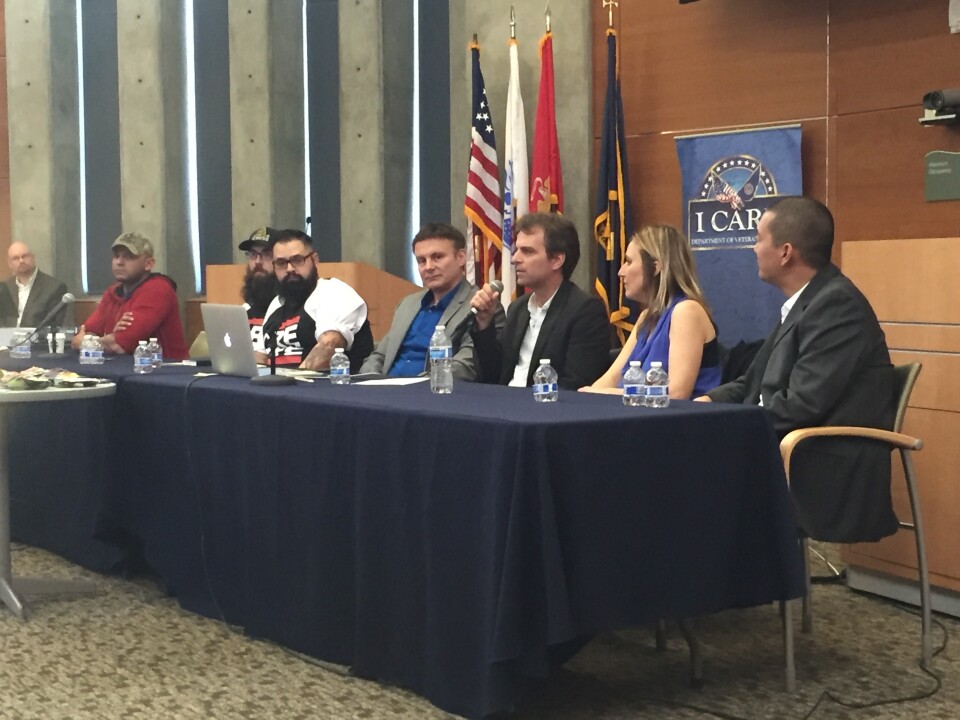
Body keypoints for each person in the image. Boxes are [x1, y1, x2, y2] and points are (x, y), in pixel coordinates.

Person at [697, 196, 897, 542]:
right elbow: (753, 383)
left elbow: (802, 405)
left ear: (786, 252)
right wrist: (706, 404)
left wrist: (729, 426)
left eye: (759, 239)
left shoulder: (836, 305)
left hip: (824, 463)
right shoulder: (806, 302)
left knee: (684, 469)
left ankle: (716, 590)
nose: (753, 248)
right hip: (789, 446)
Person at [470, 213, 609, 390]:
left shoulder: (585, 311)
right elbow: (494, 376)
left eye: (527, 251)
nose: (515, 258)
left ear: (557, 260)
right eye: (517, 250)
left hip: (545, 410)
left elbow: (576, 385)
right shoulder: (518, 308)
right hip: (504, 406)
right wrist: (484, 324)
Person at [580, 225, 720, 399]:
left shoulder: (686, 311)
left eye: (629, 262)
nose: (620, 272)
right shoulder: (646, 317)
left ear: (655, 268)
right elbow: (611, 378)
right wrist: (586, 396)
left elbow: (676, 394)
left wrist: (606, 394)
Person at [360, 222, 504, 379]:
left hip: (432, 394)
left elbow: (466, 365)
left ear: (461, 258)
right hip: (383, 391)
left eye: (437, 257)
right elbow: (380, 355)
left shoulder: (480, 306)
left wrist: (417, 385)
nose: (428, 267)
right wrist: (367, 381)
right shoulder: (407, 304)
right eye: (421, 260)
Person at [256, 230, 372, 371]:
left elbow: (329, 346)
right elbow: (261, 355)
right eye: (281, 263)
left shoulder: (332, 291)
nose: (290, 268)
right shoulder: (276, 304)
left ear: (314, 259)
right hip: (278, 386)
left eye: (297, 260)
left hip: (326, 388)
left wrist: (294, 379)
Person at [71, 232, 189, 359]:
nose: (119, 262)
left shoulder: (158, 289)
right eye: (116, 256)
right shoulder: (113, 292)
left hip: (167, 370)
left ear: (148, 264)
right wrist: (106, 337)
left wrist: (85, 343)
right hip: (126, 369)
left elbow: (120, 345)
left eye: (129, 257)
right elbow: (86, 331)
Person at [0, 241, 69, 328]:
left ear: (33, 258)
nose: (21, 261)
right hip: (5, 339)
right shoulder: (5, 287)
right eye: (16, 258)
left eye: (25, 256)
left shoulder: (54, 288)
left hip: (37, 339)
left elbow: (56, 325)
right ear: (10, 264)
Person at [238, 226, 280, 347]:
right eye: (253, 254)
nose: (257, 261)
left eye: (266, 254)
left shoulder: (290, 310)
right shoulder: (243, 312)